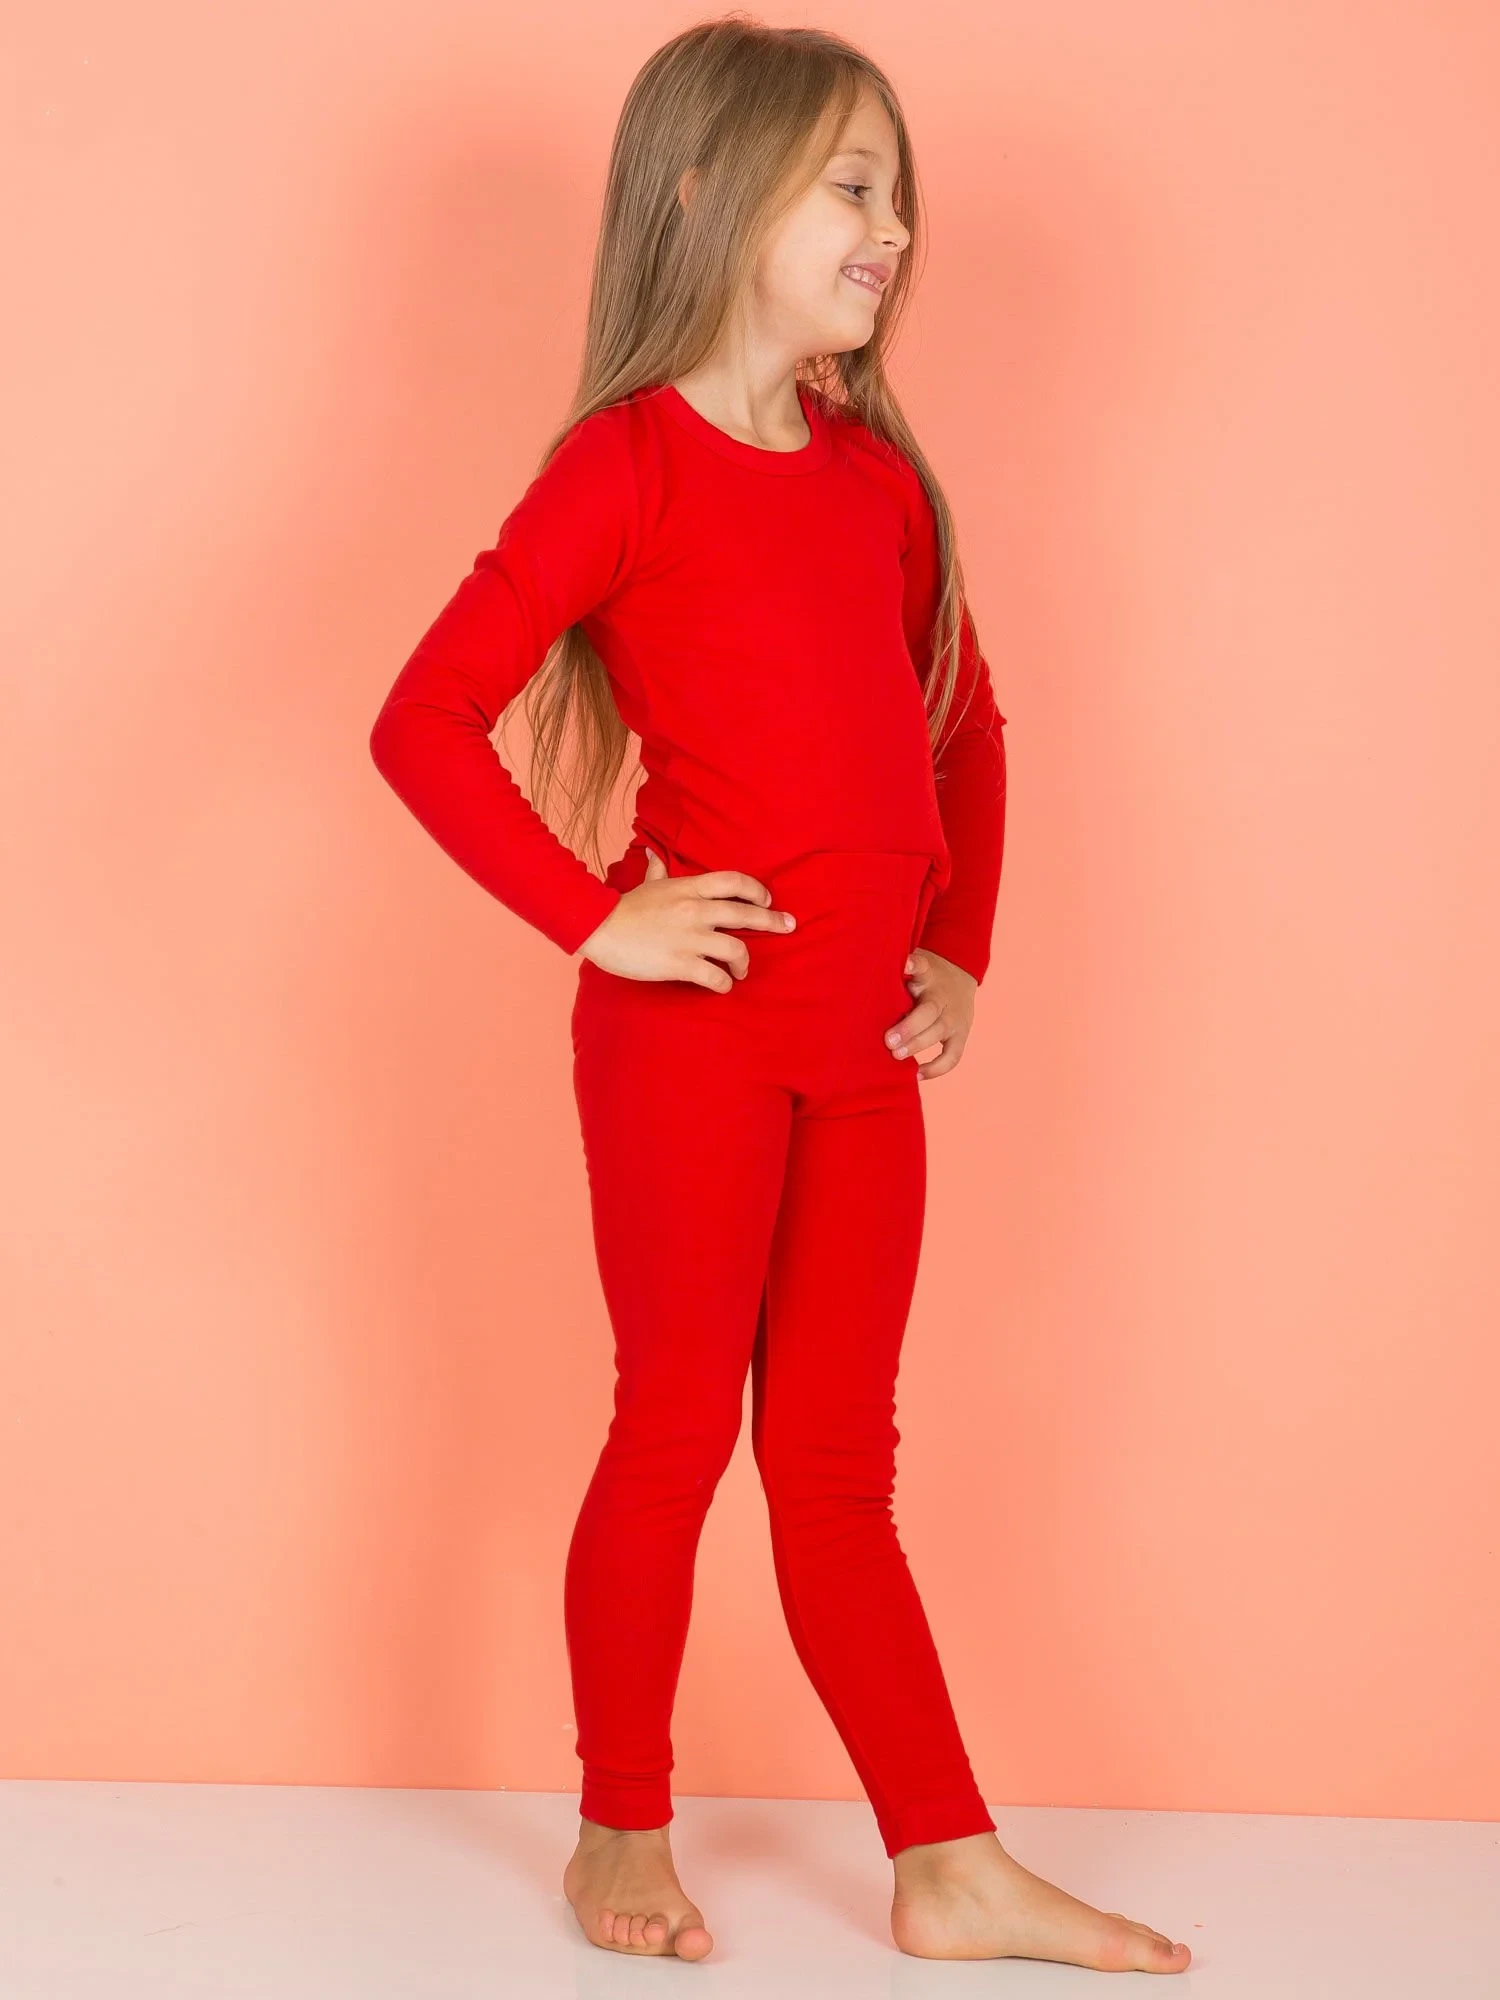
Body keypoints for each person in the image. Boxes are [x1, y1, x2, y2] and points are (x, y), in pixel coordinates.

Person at [368, 15, 1190, 1977]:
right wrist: (599, 919)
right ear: (704, 194)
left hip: (862, 1059)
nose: (891, 228)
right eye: (850, 185)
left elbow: (966, 730)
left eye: (898, 192)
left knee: (837, 1473)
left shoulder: (876, 483)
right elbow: (422, 719)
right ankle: (619, 1825)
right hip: (694, 1047)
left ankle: (947, 1860)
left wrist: (960, 948)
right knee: (672, 1434)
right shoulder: (625, 465)